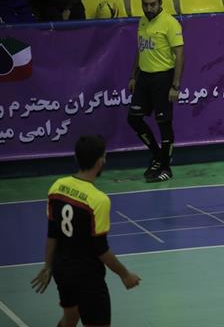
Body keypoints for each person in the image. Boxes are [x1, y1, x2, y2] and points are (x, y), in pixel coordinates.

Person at [31, 135, 141, 327]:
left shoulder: (57, 186)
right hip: (87, 276)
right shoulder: (98, 200)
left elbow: (52, 233)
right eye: (104, 156)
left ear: (77, 158)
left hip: (61, 270)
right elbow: (101, 249)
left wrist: (48, 266)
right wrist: (125, 274)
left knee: (70, 317)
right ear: (100, 162)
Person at [127, 0, 184, 183]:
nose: (149, 8)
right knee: (134, 119)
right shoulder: (142, 21)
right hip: (144, 78)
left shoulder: (170, 23)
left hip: (163, 78)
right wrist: (133, 76)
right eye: (145, 4)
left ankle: (165, 168)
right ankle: (158, 156)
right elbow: (140, 49)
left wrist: (175, 85)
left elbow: (180, 55)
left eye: (152, 4)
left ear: (160, 3)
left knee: (164, 124)